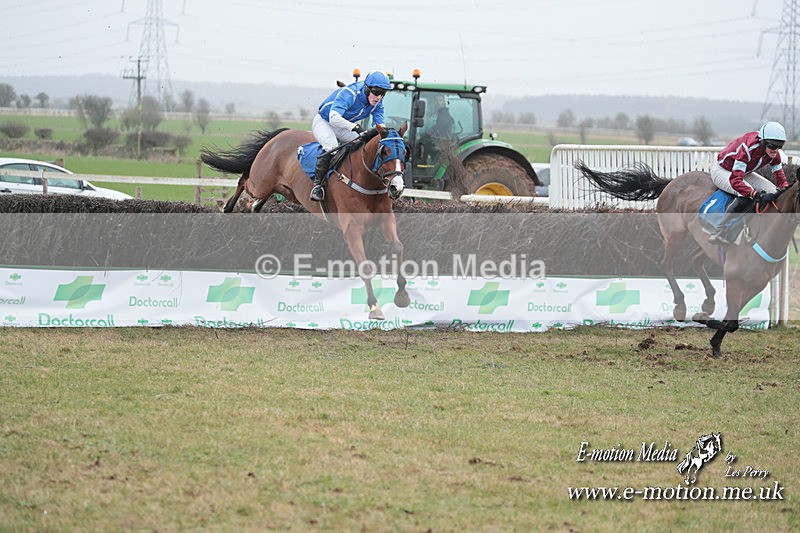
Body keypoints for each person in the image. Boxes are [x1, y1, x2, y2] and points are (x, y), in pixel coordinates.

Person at [309, 70, 391, 201]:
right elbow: (333, 117)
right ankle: (317, 186)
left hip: (343, 126)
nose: (379, 97)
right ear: (367, 89)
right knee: (331, 146)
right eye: (376, 92)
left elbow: (380, 127)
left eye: (383, 94)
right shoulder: (350, 93)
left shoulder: (378, 104)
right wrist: (356, 127)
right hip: (325, 122)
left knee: (362, 144)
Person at [708, 121, 789, 244]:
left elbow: (781, 181)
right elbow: (735, 181)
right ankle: (720, 229)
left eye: (780, 146)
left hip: (743, 172)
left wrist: (786, 191)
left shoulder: (774, 154)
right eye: (772, 146)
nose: (776, 150)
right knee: (747, 193)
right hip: (722, 171)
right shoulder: (747, 148)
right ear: (763, 142)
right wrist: (756, 194)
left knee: (773, 191)